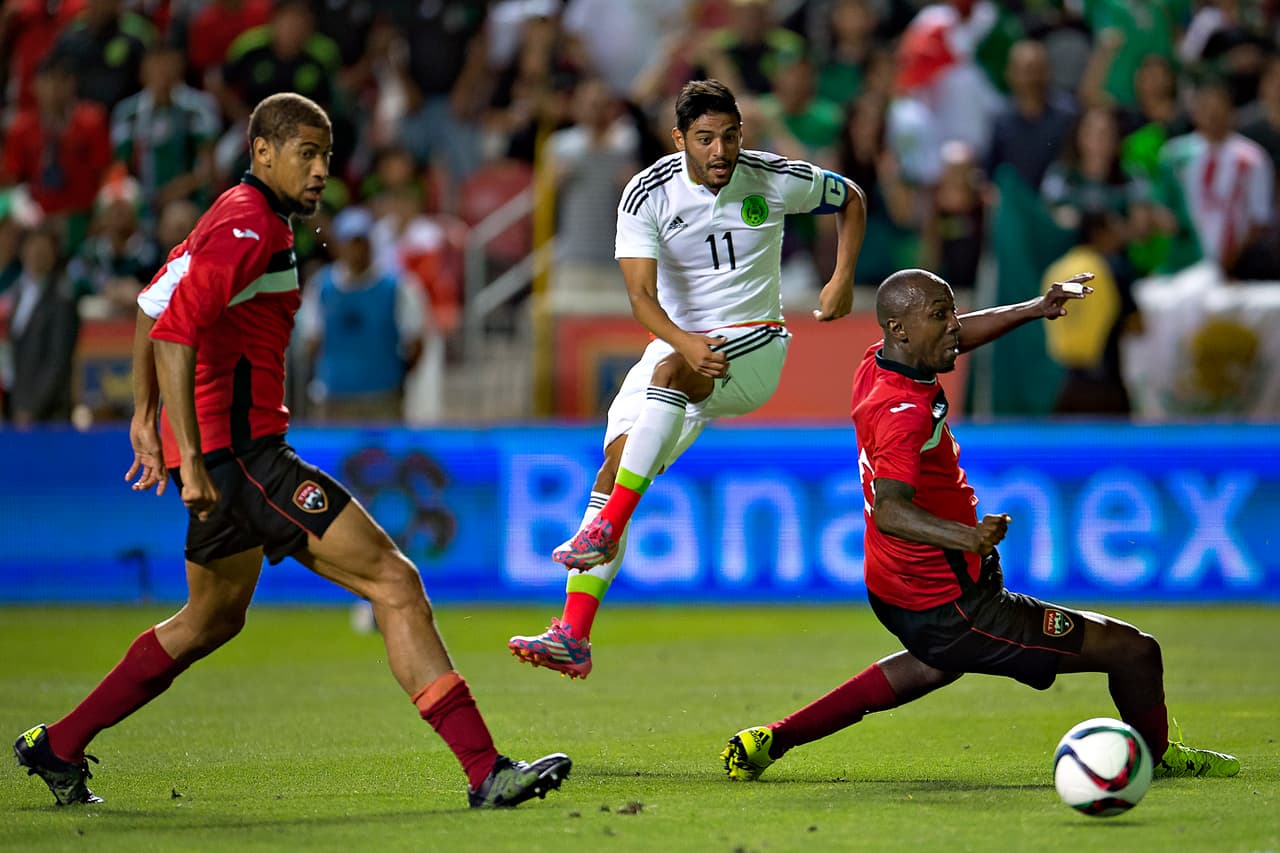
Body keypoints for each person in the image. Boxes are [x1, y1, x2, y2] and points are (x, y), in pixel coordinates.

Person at [13, 92, 571, 810]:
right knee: (395, 583)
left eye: (326, 157)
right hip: (244, 457)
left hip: (225, 456)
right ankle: (486, 770)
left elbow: (154, 302)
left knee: (210, 619)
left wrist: (148, 417)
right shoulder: (249, 226)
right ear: (263, 152)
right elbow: (176, 330)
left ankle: (58, 745)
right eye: (305, 154)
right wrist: (188, 457)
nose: (319, 171)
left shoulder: (234, 214)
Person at [718, 267, 1241, 782]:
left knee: (933, 663)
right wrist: (967, 537)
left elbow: (958, 336)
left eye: (951, 313)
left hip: (898, 587)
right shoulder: (903, 411)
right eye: (940, 316)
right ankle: (1154, 757)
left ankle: (772, 739)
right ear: (899, 328)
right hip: (953, 604)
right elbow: (891, 510)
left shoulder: (878, 363)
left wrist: (1034, 308)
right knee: (1134, 650)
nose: (954, 325)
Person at [508, 79, 867, 679]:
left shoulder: (772, 177)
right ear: (679, 140)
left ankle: (605, 528)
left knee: (656, 407)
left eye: (730, 136)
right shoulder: (646, 193)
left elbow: (850, 197)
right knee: (616, 467)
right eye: (705, 139)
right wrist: (685, 341)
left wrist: (842, 277)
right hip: (676, 345)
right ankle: (573, 634)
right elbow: (641, 299)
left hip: (755, 344)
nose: (720, 150)